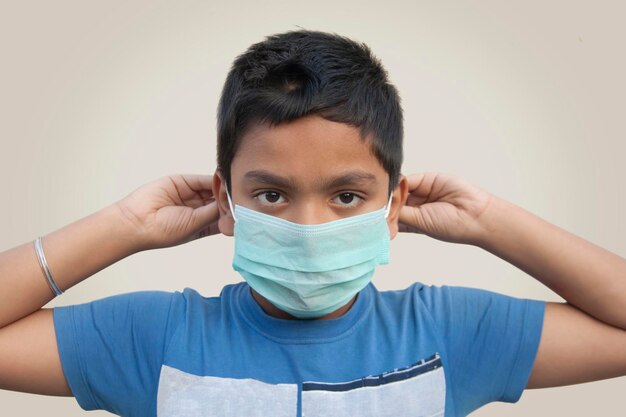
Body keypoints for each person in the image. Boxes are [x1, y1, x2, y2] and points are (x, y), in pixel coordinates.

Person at [0, 29, 624, 417]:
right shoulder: (155, 339)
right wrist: (124, 224)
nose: (307, 226)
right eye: (271, 195)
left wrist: (490, 220)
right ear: (226, 200)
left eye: (347, 197)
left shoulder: (449, 334)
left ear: (392, 204)